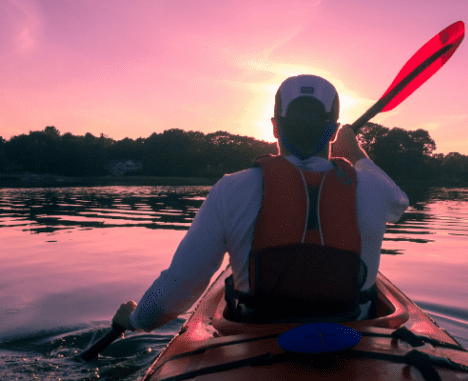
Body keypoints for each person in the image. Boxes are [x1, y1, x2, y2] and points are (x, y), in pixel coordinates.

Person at [112, 74, 409, 331]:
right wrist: (354, 150)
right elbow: (399, 202)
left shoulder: (231, 189)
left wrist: (136, 320)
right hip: (353, 339)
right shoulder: (373, 187)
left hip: (257, 338)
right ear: (332, 131)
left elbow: (179, 287)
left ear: (275, 127)